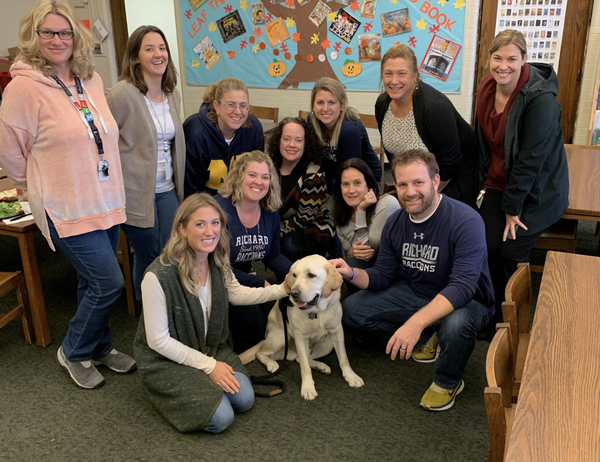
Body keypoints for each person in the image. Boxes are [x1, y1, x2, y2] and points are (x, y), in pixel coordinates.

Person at [0, 0, 135, 389]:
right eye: (48, 32)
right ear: (34, 37)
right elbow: (10, 153)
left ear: (77, 37)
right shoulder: (23, 88)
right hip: (65, 206)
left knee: (91, 282)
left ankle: (100, 346)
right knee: (109, 283)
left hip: (105, 201)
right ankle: (74, 350)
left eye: (65, 32)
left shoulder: (90, 78)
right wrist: (38, 185)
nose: (57, 40)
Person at [331, 149, 494, 411]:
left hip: (470, 301)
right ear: (394, 184)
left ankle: (448, 380)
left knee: (456, 323)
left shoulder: (466, 220)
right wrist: (350, 273)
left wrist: (414, 324)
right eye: (402, 184)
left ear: (435, 181)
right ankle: (431, 334)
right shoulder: (397, 221)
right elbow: (382, 274)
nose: (410, 192)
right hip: (417, 292)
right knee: (351, 311)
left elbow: (463, 286)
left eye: (418, 182)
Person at [134, 193, 290, 433]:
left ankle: (204, 387)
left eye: (215, 223)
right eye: (200, 224)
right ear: (182, 229)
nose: (210, 231)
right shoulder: (157, 276)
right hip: (165, 359)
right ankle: (163, 389)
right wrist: (209, 366)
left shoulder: (216, 259)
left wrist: (282, 290)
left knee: (244, 400)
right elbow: (158, 341)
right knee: (221, 418)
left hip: (209, 346)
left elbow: (236, 294)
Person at [475, 29, 569, 333]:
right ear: (489, 58)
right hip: (499, 182)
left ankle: (509, 319)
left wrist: (512, 208)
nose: (504, 65)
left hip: (537, 191)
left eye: (512, 59)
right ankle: (489, 308)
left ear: (524, 60)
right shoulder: (487, 88)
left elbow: (530, 161)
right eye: (497, 58)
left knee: (510, 252)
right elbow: (483, 142)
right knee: (483, 245)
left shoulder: (541, 101)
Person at [106, 25, 185, 304]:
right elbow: (102, 140)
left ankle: (167, 307)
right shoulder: (122, 94)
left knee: (171, 249)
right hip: (136, 190)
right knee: (148, 252)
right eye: (149, 49)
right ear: (136, 56)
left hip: (167, 187)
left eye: (162, 48)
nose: (158, 54)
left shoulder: (171, 92)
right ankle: (148, 315)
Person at [375, 44, 478, 206]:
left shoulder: (435, 107)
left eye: (402, 73)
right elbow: (393, 156)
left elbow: (450, 164)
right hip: (413, 187)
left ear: (415, 76)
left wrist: (425, 198)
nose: (394, 81)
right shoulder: (382, 105)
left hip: (447, 185)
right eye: (388, 74)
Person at [214, 151, 292, 352]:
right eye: (252, 175)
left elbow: (272, 255)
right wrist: (258, 283)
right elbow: (215, 265)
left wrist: (297, 272)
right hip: (216, 280)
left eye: (265, 177)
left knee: (260, 330)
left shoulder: (270, 213)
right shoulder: (218, 209)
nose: (259, 182)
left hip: (247, 279)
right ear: (239, 176)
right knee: (247, 320)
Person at [267, 116, 335, 261]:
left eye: (298, 140)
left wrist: (270, 231)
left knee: (289, 244)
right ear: (278, 140)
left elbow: (303, 219)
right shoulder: (269, 168)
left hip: (313, 229)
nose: (292, 144)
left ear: (306, 144)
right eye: (287, 139)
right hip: (282, 227)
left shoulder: (314, 174)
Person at [183, 77, 264, 196]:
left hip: (240, 200)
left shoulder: (253, 129)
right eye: (231, 105)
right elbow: (192, 187)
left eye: (243, 105)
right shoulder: (196, 132)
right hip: (205, 202)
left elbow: (257, 175)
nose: (238, 111)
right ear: (216, 106)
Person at [310, 77, 382, 191]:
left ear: (342, 105)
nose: (325, 108)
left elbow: (351, 171)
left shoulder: (349, 130)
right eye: (320, 102)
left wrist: (332, 194)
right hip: (336, 172)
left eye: (332, 102)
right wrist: (327, 188)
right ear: (313, 105)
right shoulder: (313, 121)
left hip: (364, 176)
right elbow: (322, 159)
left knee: (334, 207)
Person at [332, 158, 400, 271]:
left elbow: (369, 255)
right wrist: (351, 253)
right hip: (362, 271)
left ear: (368, 185)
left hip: (392, 270)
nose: (351, 190)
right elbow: (348, 257)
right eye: (345, 184)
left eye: (357, 183)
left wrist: (360, 210)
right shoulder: (341, 217)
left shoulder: (386, 204)